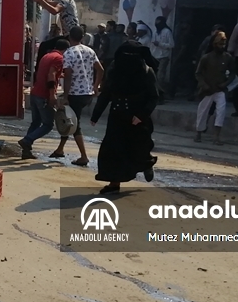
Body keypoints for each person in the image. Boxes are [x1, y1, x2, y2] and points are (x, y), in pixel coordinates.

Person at [91, 41, 159, 194]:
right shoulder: (114, 70)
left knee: (138, 149)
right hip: (116, 116)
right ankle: (114, 183)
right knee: (113, 151)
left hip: (137, 119)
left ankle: (147, 164)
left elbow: (153, 97)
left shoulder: (147, 72)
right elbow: (106, 93)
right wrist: (96, 114)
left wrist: (141, 115)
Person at [50, 26, 104, 166]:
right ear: (82, 37)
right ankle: (60, 149)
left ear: (69, 37)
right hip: (87, 93)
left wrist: (65, 96)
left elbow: (68, 76)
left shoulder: (69, 53)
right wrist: (96, 86)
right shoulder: (90, 51)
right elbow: (100, 70)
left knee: (74, 124)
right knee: (69, 120)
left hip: (75, 93)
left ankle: (84, 156)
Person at [18, 39, 68, 160]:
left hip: (35, 93)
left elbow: (47, 72)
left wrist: (63, 75)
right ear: (65, 50)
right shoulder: (59, 58)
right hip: (44, 95)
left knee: (36, 122)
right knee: (48, 125)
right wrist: (52, 95)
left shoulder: (47, 56)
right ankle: (27, 140)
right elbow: (51, 75)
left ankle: (26, 151)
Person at [193, 31, 234, 145]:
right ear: (214, 44)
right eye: (220, 44)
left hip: (220, 90)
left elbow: (232, 74)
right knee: (202, 112)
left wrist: (225, 84)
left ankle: (216, 136)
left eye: (224, 44)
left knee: (221, 112)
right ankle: (198, 133)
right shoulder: (206, 58)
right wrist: (204, 85)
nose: (222, 46)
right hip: (207, 90)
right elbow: (198, 73)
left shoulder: (228, 57)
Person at [150, 15, 174, 99]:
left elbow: (171, 45)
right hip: (154, 56)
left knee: (160, 76)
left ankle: (162, 94)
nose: (156, 23)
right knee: (154, 76)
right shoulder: (155, 32)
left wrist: (160, 44)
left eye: (158, 22)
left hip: (163, 56)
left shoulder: (167, 32)